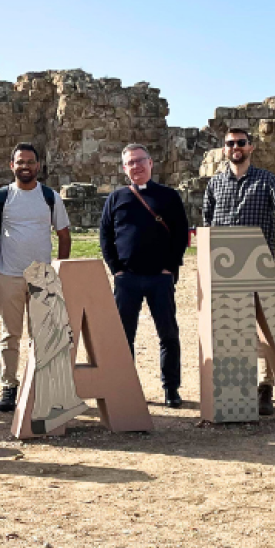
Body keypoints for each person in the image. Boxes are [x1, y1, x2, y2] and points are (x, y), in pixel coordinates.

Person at [200, 127, 275, 416]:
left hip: (258, 268)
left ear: (250, 147)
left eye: (241, 143)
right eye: (230, 143)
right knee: (228, 328)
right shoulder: (215, 184)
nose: (235, 147)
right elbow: (207, 222)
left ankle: (264, 386)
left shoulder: (266, 180)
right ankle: (232, 386)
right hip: (224, 271)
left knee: (264, 330)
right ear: (224, 149)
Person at [98, 143, 190, 409]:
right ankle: (126, 389)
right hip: (127, 279)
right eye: (130, 163)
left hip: (160, 278)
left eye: (140, 161)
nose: (136, 166)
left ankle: (171, 388)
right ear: (124, 168)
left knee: (168, 334)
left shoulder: (169, 196)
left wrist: (170, 268)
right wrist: (115, 267)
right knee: (124, 336)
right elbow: (105, 235)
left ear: (151, 163)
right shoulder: (116, 198)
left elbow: (181, 234)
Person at [0, 142, 72, 413]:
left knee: (43, 335)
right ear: (12, 166)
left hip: (42, 276)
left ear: (38, 166)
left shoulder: (50, 197)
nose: (25, 166)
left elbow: (64, 234)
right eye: (20, 162)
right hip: (9, 275)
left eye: (30, 162)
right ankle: (9, 386)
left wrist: (59, 268)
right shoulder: (1, 197)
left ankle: (42, 386)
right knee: (10, 335)